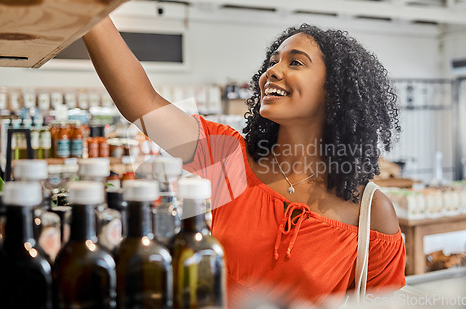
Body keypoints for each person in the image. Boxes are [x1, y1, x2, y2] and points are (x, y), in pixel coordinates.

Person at [83, 17, 405, 307]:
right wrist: (88, 9)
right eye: (273, 61)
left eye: (296, 62)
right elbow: (143, 102)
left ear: (333, 92)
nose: (272, 71)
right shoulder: (229, 160)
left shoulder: (370, 212)